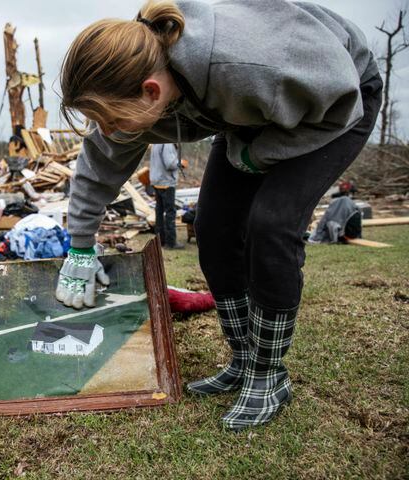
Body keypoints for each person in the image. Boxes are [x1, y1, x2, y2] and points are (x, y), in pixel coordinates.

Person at [54, 0, 382, 430]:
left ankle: (268, 375)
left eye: (112, 119)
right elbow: (99, 164)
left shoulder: (242, 62)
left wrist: (258, 155)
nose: (109, 130)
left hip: (335, 101)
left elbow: (340, 102)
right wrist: (80, 246)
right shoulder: (142, 86)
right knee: (211, 227)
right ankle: (243, 360)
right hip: (250, 114)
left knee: (271, 224)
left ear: (151, 91)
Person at [150, 143, 185, 249]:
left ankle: (160, 241)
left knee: (159, 212)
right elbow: (170, 164)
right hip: (166, 182)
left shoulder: (156, 142)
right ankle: (171, 242)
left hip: (157, 181)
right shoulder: (168, 143)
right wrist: (181, 163)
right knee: (170, 212)